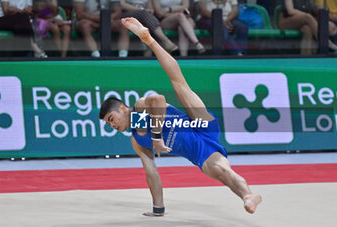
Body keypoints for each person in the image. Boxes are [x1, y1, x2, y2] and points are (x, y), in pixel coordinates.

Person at [99, 17, 262, 216]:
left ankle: (149, 39)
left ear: (123, 108)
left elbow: (158, 100)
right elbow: (151, 172)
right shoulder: (137, 140)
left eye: (111, 119)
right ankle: (248, 196)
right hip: (197, 148)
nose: (112, 126)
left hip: (199, 122)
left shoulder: (139, 111)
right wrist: (158, 209)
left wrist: (157, 139)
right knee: (223, 172)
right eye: (109, 124)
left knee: (179, 84)